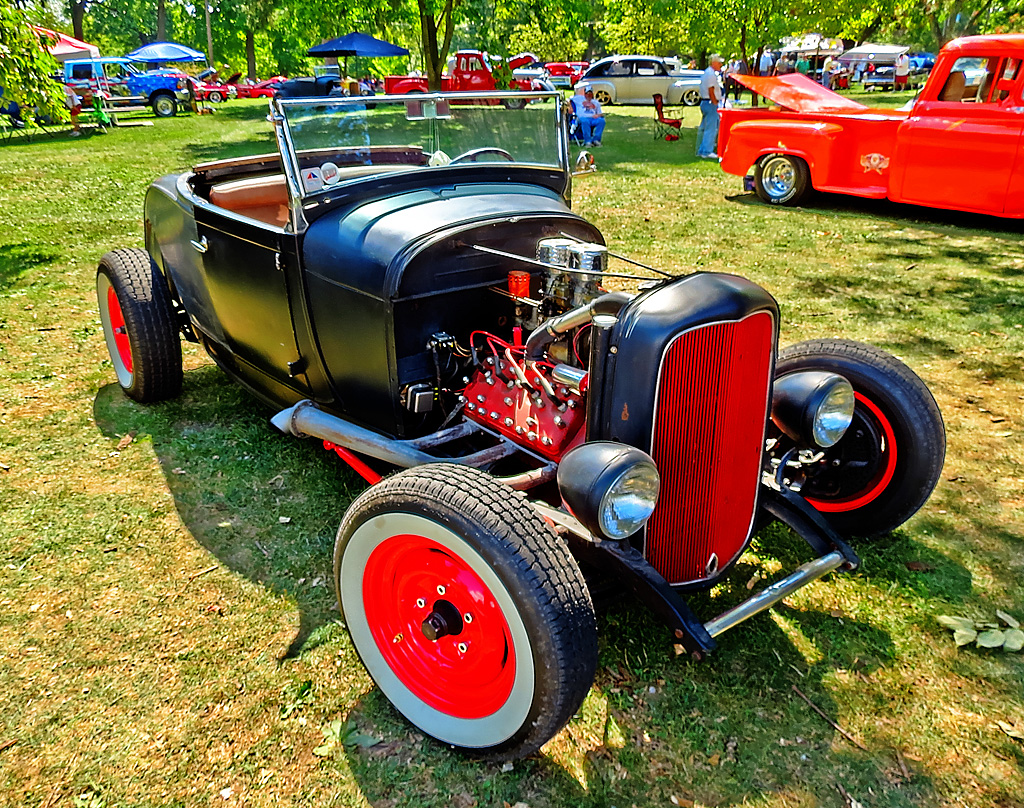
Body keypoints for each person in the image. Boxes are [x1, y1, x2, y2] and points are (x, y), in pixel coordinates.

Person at [696, 53, 724, 160]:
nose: (721, 65)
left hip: (705, 102)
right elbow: (711, 90)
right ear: (714, 63)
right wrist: (715, 102)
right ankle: (707, 151)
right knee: (711, 128)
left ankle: (702, 149)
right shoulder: (711, 74)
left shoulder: (707, 73)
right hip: (710, 103)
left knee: (706, 127)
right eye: (719, 63)